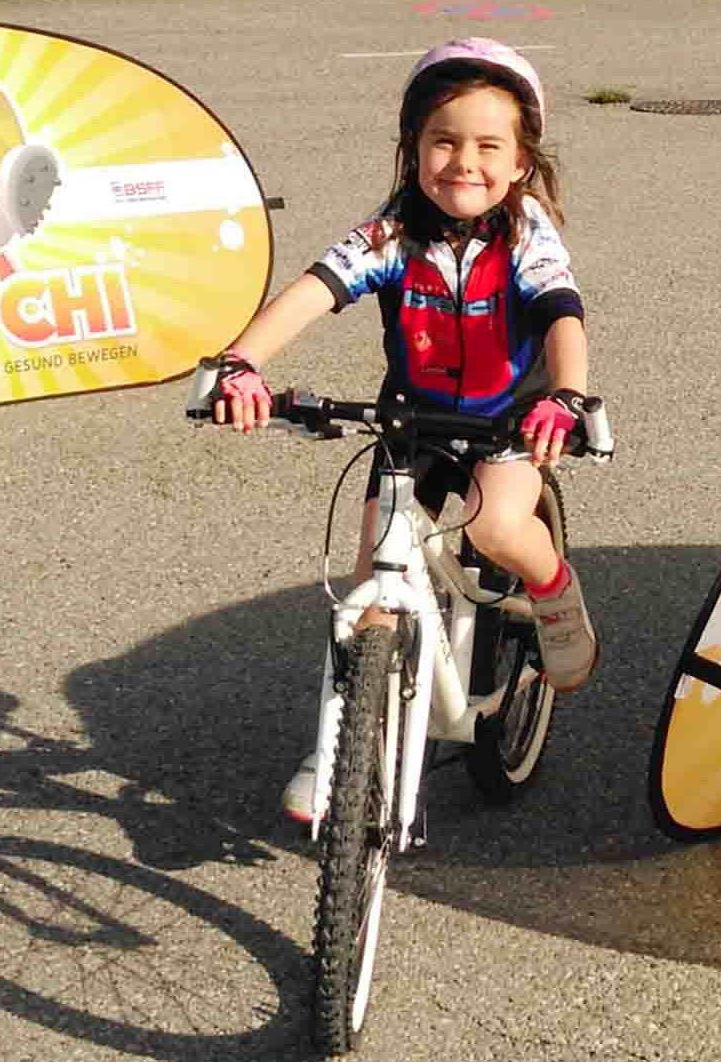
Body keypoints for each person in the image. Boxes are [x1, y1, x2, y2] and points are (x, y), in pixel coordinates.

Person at [208, 38, 597, 822]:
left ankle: (555, 597)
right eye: (443, 141)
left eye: (489, 145)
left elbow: (561, 315)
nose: (464, 162)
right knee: (373, 585)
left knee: (494, 527)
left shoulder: (525, 234)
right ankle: (341, 736)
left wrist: (567, 396)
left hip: (512, 416)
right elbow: (312, 293)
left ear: (520, 162)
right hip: (410, 416)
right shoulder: (389, 234)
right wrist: (240, 362)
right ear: (412, 149)